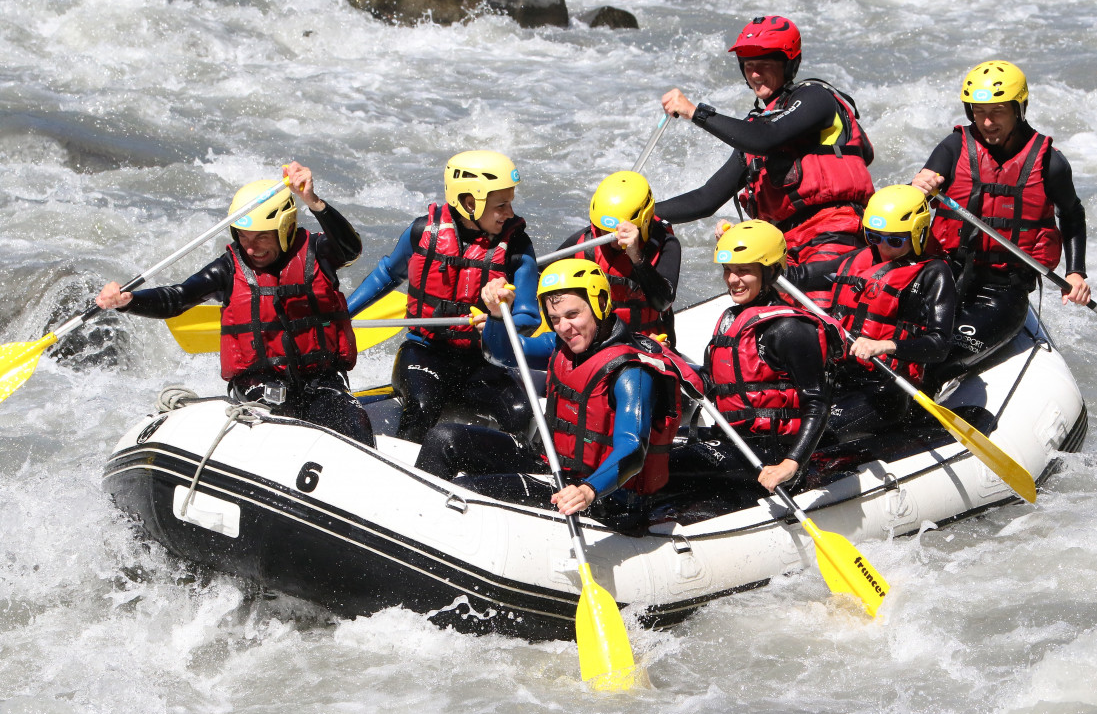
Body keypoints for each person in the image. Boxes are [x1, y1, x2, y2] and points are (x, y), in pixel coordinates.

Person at [94, 162, 374, 446]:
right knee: (280, 432)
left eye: (262, 237)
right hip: (259, 385)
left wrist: (312, 201)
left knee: (354, 423)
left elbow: (351, 248)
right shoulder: (228, 268)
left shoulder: (319, 253)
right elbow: (177, 298)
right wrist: (128, 301)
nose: (251, 248)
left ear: (286, 227)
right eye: (243, 236)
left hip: (322, 380)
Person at [415, 259, 690, 532]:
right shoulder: (563, 345)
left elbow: (632, 449)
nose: (563, 327)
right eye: (555, 319)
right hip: (553, 466)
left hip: (606, 497)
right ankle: (415, 525)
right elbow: (503, 354)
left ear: (601, 303)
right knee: (443, 438)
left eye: (572, 315)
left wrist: (588, 490)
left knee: (465, 493)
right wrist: (498, 315)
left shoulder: (631, 373)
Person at [658, 15, 875, 304]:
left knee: (813, 318)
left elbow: (767, 137)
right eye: (749, 66)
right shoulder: (754, 129)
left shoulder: (816, 99)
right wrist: (641, 215)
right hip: (780, 250)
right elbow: (706, 199)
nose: (755, 75)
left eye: (765, 65)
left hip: (833, 235)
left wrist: (695, 112)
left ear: (789, 66)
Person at [911, 60, 1091, 382]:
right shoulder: (954, 147)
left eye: (998, 111)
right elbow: (918, 195)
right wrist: (919, 187)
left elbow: (1072, 215)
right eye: (978, 111)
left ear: (1019, 109)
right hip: (943, 275)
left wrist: (1075, 273)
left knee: (940, 359)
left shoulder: (1050, 162)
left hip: (1002, 288)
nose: (987, 122)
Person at [345, 150, 539, 442]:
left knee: (521, 412)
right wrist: (342, 314)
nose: (509, 213)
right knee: (422, 408)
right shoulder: (423, 231)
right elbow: (387, 275)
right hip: (424, 353)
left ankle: (499, 478)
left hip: (482, 362)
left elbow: (529, 317)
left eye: (510, 203)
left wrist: (499, 320)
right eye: (501, 205)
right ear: (470, 202)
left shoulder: (517, 247)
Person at [664, 220, 831, 502]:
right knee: (653, 445)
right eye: (728, 270)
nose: (732, 280)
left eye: (743, 271)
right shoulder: (732, 318)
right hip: (733, 436)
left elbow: (818, 403)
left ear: (770, 272)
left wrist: (790, 465)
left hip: (771, 451)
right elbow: (710, 381)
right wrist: (664, 361)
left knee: (659, 464)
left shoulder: (789, 329)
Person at [821, 185, 956, 438]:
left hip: (887, 387)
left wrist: (884, 346)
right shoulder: (863, 258)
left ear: (918, 234)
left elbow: (940, 345)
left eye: (895, 240)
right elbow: (804, 275)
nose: (883, 247)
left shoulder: (935, 273)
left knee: (822, 430)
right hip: (841, 375)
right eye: (874, 236)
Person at [555, 170, 681, 345]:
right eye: (604, 230)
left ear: (643, 222)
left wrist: (636, 256)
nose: (611, 237)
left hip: (648, 342)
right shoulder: (584, 243)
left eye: (619, 231)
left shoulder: (666, 244)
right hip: (600, 343)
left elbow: (663, 302)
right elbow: (543, 276)